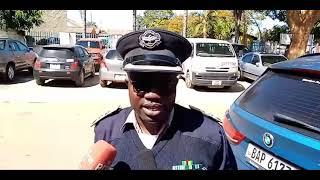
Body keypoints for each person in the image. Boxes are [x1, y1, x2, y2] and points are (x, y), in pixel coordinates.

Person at [92, 29, 237, 170]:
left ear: (176, 83)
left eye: (163, 83)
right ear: (127, 83)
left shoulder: (210, 137)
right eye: (141, 83)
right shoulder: (106, 133)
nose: (152, 94)